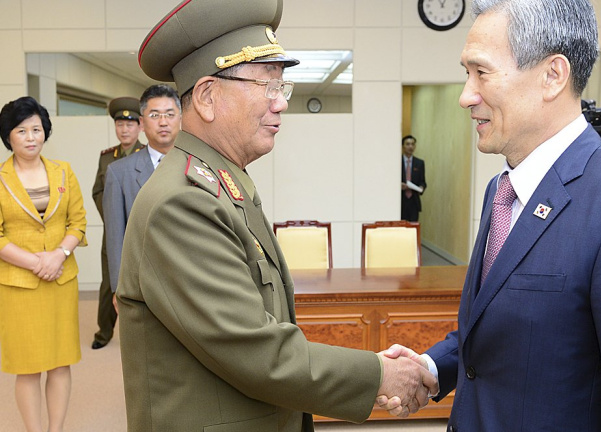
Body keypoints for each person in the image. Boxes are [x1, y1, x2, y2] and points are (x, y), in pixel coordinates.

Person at [379, 0, 601, 430]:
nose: (466, 96)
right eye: (466, 73)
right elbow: (508, 325)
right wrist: (433, 367)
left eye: (482, 72)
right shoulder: (502, 190)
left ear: (553, 75)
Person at [116, 1, 436, 431]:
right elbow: (255, 350)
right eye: (267, 85)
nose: (281, 103)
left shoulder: (223, 182)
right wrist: (379, 375)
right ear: (207, 97)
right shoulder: (183, 203)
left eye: (281, 87)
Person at [0, 96, 87, 432]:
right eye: (22, 130)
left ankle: (56, 429)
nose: (31, 137)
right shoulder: (1, 178)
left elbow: (78, 223)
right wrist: (37, 262)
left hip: (61, 280)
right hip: (19, 286)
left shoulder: (63, 171)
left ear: (45, 132)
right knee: (27, 367)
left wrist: (58, 255)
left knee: (61, 363)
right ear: (8, 135)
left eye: (36, 129)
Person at [103, 84, 181, 304]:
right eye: (154, 115)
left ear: (180, 119)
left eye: (169, 114)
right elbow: (115, 237)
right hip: (142, 282)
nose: (163, 122)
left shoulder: (198, 166)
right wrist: (119, 289)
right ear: (142, 123)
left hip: (189, 279)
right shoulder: (119, 172)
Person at [91, 96, 144, 350]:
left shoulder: (148, 157)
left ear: (140, 126)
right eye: (120, 124)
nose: (124, 129)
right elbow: (98, 191)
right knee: (109, 283)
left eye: (130, 124)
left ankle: (140, 333)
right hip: (113, 233)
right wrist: (112, 217)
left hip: (139, 231)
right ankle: (104, 332)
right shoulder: (106, 158)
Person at [401, 135, 427, 222]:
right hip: (400, 201)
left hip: (414, 201)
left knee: (413, 227)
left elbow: (423, 181)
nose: (410, 147)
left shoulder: (419, 163)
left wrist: (421, 187)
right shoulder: (397, 161)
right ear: (403, 146)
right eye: (408, 144)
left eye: (412, 144)